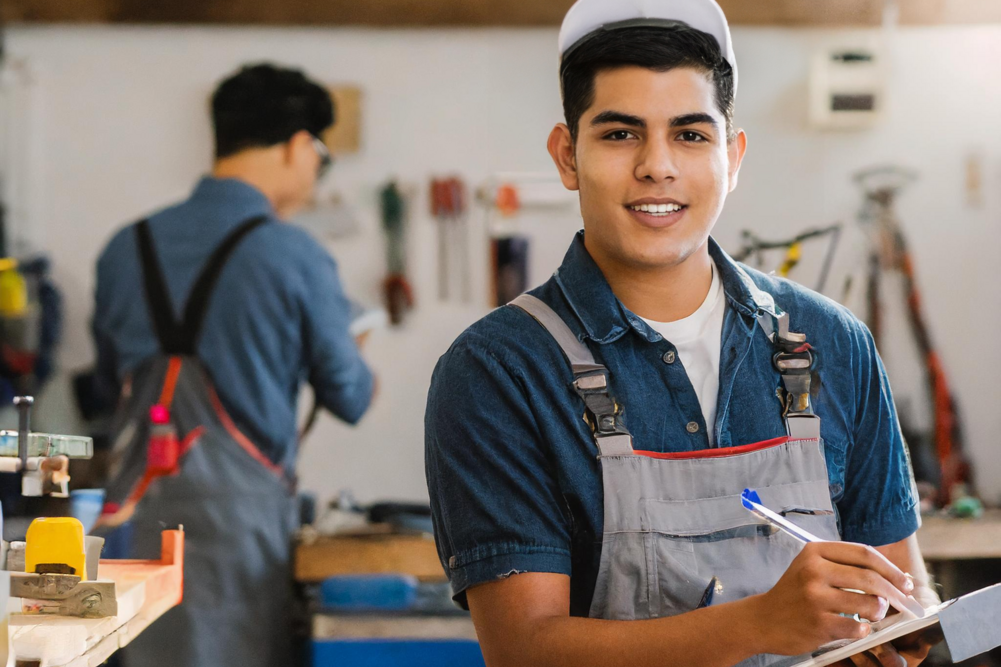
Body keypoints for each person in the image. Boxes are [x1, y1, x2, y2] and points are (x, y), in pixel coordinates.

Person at [424, 2, 939, 665]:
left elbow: (902, 580)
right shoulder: (496, 368)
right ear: (566, 155)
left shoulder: (832, 341)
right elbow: (524, 648)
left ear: (732, 155)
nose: (657, 166)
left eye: (690, 135)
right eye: (619, 134)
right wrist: (758, 623)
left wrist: (897, 623)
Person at [91, 63, 374, 667]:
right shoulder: (296, 253)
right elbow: (349, 397)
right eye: (320, 154)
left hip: (128, 525)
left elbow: (104, 382)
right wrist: (360, 351)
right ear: (300, 145)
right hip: (236, 535)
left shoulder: (124, 247)